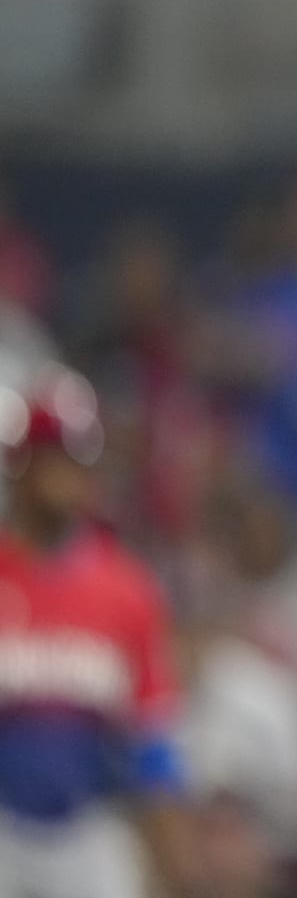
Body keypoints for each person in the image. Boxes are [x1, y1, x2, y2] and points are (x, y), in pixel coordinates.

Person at [0, 368, 194, 898]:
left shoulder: (127, 589)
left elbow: (153, 736)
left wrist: (175, 855)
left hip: (90, 831)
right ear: (19, 465)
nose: (69, 477)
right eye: (54, 458)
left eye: (79, 462)